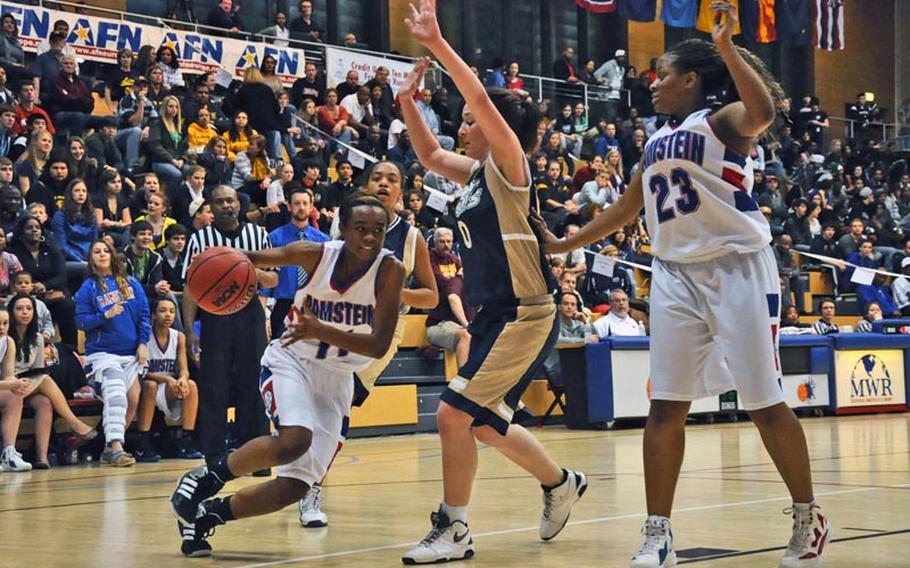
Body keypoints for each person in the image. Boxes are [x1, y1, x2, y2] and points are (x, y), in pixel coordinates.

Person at [537, 5, 829, 566]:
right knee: (664, 407)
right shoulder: (653, 143)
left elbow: (764, 110)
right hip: (674, 275)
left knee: (764, 404)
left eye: (663, 75)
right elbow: (626, 209)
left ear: (691, 80)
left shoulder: (720, 123)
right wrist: (562, 244)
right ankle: (658, 532)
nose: (654, 84)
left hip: (737, 268)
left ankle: (808, 516)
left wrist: (726, 46)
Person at [398, 3, 588, 563]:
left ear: (500, 130)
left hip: (527, 311)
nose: (462, 124)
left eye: (470, 120)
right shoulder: (477, 173)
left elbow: (481, 98)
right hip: (496, 315)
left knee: (452, 414)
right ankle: (560, 483)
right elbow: (429, 153)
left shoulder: (511, 167)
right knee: (481, 424)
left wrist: (436, 42)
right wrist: (408, 103)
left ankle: (453, 529)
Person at [170, 193, 403, 556]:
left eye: (378, 230)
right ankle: (206, 477)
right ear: (341, 230)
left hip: (337, 379)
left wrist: (320, 329)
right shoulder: (315, 253)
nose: (370, 238)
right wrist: (214, 266)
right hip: (292, 361)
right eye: (360, 229)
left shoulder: (390, 270)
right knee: (294, 440)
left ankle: (205, 517)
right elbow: (252, 259)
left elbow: (377, 345)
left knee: (296, 486)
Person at [298, 160, 440, 528]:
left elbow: (430, 297)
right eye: (377, 176)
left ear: (403, 192)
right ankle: (303, 477)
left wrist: (392, 291)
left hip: (377, 336)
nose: (383, 182)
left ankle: (310, 488)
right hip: (334, 323)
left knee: (335, 409)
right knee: (315, 407)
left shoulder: (411, 237)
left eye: (392, 179)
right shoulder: (343, 225)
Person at [180, 186, 277, 470]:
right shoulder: (200, 239)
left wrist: (244, 269)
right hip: (214, 315)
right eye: (219, 201)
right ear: (211, 207)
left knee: (253, 384)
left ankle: (257, 456)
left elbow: (272, 281)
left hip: (250, 314)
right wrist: (189, 331)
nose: (225, 206)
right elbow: (189, 288)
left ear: (238, 204)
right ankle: (214, 455)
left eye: (230, 200)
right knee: (214, 385)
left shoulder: (258, 235)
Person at [75, 239, 151, 467]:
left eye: (105, 250)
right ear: (91, 259)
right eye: (96, 252)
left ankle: (109, 448)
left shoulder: (130, 283)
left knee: (132, 399)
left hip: (131, 354)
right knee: (116, 396)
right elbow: (81, 322)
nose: (101, 254)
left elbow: (144, 314)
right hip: (103, 355)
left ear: (112, 254)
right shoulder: (88, 288)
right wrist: (103, 316)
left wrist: (143, 343)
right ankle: (117, 446)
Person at [8, 293, 97, 468]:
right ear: (12, 313)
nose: (25, 312)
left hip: (29, 384)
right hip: (9, 385)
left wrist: (30, 382)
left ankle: (42, 458)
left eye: (29, 308)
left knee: (45, 403)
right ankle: (76, 424)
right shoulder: (6, 338)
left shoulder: (38, 338)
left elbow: (37, 370)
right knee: (45, 381)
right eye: (19, 309)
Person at [134, 297, 202, 462]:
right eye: (163, 311)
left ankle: (186, 441)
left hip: (168, 389)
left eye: (172, 311)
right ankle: (142, 443)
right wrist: (166, 379)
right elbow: (142, 372)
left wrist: (182, 379)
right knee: (150, 385)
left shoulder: (179, 337)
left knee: (191, 385)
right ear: (154, 315)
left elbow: (184, 368)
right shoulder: (145, 337)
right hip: (148, 387)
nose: (168, 315)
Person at [262, 187, 330, 339]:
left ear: (312, 206)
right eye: (297, 203)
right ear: (289, 206)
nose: (301, 207)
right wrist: (265, 314)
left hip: (314, 305)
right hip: (283, 305)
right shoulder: (275, 237)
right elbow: (265, 278)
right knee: (279, 351)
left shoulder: (323, 241)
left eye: (305, 203)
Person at [8, 216, 78, 346]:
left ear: (42, 231)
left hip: (53, 292)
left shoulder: (52, 250)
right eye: (29, 228)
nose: (34, 230)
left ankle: (71, 348)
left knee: (67, 306)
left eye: (37, 227)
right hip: (26, 294)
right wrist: (30, 286)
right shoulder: (14, 253)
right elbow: (13, 277)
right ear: (22, 232)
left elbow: (62, 276)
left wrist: (44, 285)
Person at [425, 227, 472, 367]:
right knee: (466, 334)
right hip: (438, 321)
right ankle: (463, 381)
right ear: (434, 242)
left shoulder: (455, 259)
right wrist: (456, 278)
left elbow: (458, 280)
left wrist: (455, 279)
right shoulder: (428, 258)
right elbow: (438, 280)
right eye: (442, 241)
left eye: (449, 241)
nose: (446, 245)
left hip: (455, 319)